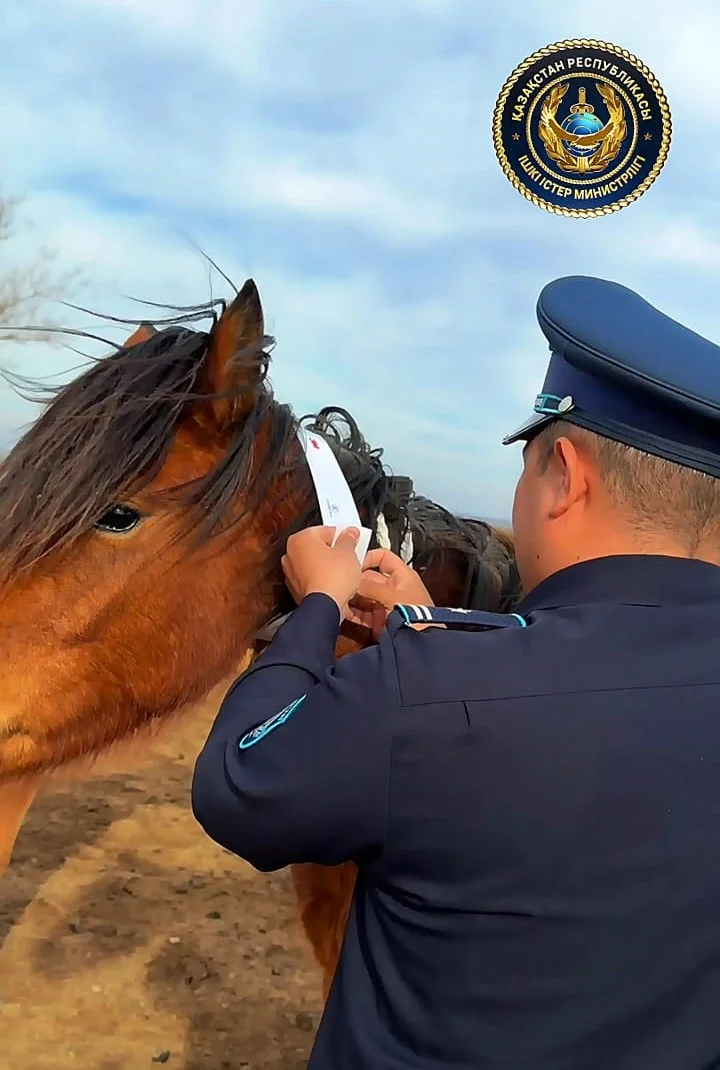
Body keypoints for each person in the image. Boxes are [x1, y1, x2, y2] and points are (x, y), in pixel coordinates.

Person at [191, 275, 720, 1070]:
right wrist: (427, 628)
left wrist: (319, 606)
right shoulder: (445, 676)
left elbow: (240, 781)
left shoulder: (424, 692)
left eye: (528, 466)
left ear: (566, 475)